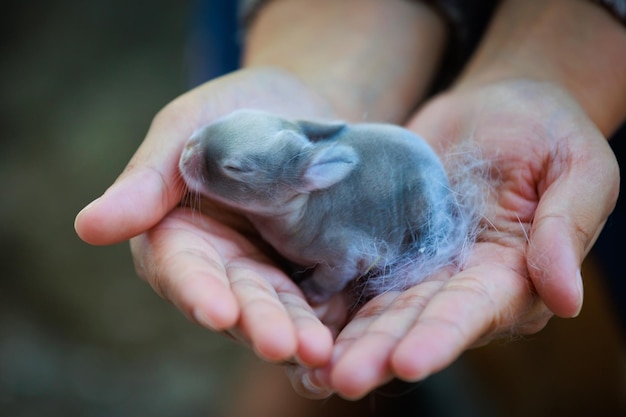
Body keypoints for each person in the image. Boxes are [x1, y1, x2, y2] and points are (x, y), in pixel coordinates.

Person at [74, 0, 626, 400]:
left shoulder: (317, 225)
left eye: (232, 166)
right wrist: (323, 71)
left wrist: (316, 283)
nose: (191, 154)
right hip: (325, 27)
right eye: (211, 140)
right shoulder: (291, 169)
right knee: (291, 341)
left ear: (303, 179)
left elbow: (348, 256)